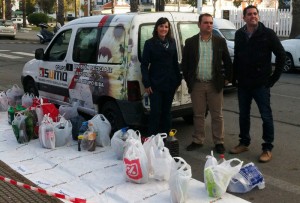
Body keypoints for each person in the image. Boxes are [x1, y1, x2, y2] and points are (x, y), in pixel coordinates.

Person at [229, 5, 286, 163]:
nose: (252, 16)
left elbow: (281, 56)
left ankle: (267, 148)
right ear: (244, 17)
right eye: (249, 14)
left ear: (258, 16)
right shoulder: (240, 34)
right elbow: (238, 58)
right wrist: (235, 79)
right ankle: (244, 143)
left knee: (266, 116)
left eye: (255, 14)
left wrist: (273, 78)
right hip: (244, 84)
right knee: (243, 115)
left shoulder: (268, 34)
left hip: (261, 84)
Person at [181, 13, 233, 154]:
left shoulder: (219, 41)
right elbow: (185, 64)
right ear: (199, 24)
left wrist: (227, 78)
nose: (209, 25)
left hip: (214, 84)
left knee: (217, 115)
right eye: (205, 22)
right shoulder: (190, 42)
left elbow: (227, 61)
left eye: (210, 23)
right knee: (198, 114)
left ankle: (219, 142)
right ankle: (198, 139)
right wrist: (189, 79)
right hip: (197, 84)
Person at [141, 17, 181, 136]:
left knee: (167, 112)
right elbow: (144, 65)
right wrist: (147, 83)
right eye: (161, 26)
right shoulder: (150, 43)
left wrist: (178, 80)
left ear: (168, 29)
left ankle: (166, 138)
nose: (164, 29)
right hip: (155, 84)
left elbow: (175, 62)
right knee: (156, 112)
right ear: (157, 28)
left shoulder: (172, 42)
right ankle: (152, 139)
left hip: (170, 83)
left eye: (166, 27)